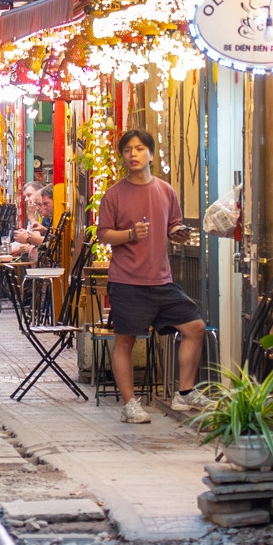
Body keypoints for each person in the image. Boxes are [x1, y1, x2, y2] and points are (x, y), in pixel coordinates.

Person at [96, 129, 207, 423]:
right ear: (123, 156)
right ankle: (130, 404)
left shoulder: (166, 190)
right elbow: (103, 235)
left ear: (151, 154)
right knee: (125, 342)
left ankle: (184, 394)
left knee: (195, 327)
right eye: (128, 150)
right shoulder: (114, 194)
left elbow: (173, 226)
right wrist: (130, 234)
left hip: (162, 280)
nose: (133, 154)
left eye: (140, 148)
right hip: (127, 280)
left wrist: (179, 234)